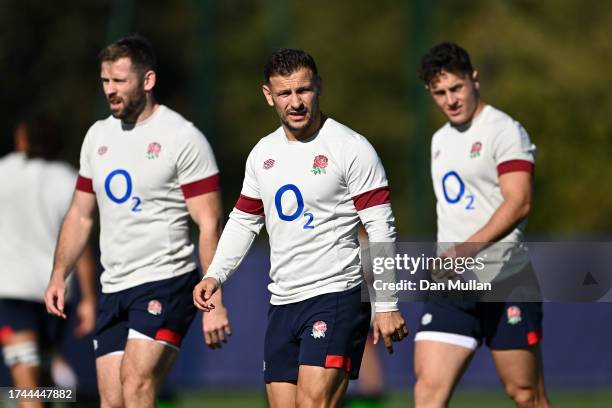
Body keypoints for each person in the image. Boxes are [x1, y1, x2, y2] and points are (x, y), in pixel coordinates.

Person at [193, 48, 408, 407]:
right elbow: (244, 221)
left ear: (319, 87)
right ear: (268, 96)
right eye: (284, 93)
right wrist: (215, 275)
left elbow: (380, 227)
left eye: (303, 90)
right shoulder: (262, 154)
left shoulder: (351, 147)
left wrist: (385, 304)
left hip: (336, 296)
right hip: (283, 302)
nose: (295, 102)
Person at [44, 34, 229, 408]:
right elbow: (81, 214)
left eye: (120, 81)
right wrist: (58, 274)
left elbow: (210, 224)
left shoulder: (182, 137)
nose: (111, 91)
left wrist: (215, 303)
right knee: (111, 400)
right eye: (105, 82)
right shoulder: (97, 136)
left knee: (136, 382)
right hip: (115, 287)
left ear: (148, 81)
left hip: (167, 281)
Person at [413, 42, 550, 407]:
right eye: (440, 92)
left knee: (524, 393)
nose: (450, 99)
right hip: (452, 284)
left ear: (474, 79)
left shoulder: (504, 130)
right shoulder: (439, 140)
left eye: (456, 88)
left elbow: (519, 201)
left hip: (505, 280)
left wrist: (465, 249)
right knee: (428, 393)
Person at [0, 114, 97, 407]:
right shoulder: (69, 179)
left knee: (28, 391)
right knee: (38, 388)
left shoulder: (3, 172)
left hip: (11, 293)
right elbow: (82, 248)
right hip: (55, 298)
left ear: (23, 139)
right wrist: (90, 300)